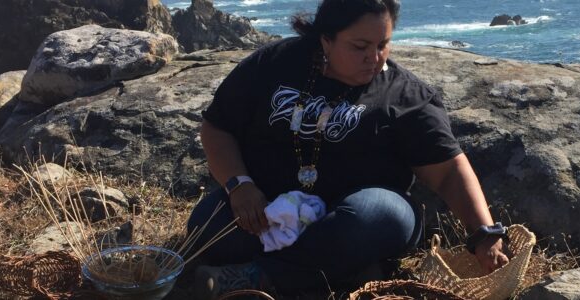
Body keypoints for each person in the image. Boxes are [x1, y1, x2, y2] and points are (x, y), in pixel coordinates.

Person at [185, 0, 509, 297]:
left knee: (379, 216)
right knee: (206, 223)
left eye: (383, 44)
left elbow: (449, 171)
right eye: (360, 46)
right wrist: (240, 185)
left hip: (357, 221)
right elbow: (217, 128)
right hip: (274, 212)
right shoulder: (275, 63)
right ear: (325, 39)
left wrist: (484, 233)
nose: (375, 57)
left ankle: (258, 276)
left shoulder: (406, 95)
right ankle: (335, 272)